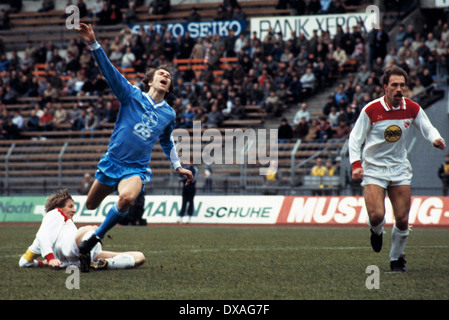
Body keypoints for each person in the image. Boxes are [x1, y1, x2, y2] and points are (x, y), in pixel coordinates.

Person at [74, 23, 193, 272]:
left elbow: (166, 140)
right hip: (111, 162)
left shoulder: (169, 114)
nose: (166, 76)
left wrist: (178, 166)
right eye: (161, 74)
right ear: (149, 81)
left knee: (127, 198)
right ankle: (88, 235)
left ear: (168, 88)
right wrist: (93, 43)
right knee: (91, 206)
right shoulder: (130, 94)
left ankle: (94, 239)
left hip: (135, 169)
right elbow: (110, 72)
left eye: (169, 77)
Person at [349, 66, 446, 272]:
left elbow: (426, 126)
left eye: (402, 85)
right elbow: (355, 139)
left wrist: (435, 138)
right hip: (374, 169)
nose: (399, 89)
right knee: (377, 216)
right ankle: (376, 230)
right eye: (394, 85)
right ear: (385, 87)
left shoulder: (411, 108)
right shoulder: (371, 110)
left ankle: (396, 258)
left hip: (399, 168)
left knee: (402, 218)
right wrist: (356, 164)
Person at [18, 189, 145, 270]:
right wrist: (50, 259)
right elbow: (42, 235)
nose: (74, 210)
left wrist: (42, 263)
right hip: (75, 245)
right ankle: (90, 247)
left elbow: (24, 262)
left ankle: (102, 264)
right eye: (70, 206)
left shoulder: (47, 234)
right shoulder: (55, 213)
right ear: (58, 207)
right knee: (92, 228)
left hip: (76, 258)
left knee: (139, 257)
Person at [178, 158, 198, 223]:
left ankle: (190, 217)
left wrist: (186, 178)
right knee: (184, 203)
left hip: (191, 189)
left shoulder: (195, 169)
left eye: (191, 162)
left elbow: (193, 179)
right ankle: (181, 217)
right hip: (185, 188)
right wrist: (188, 177)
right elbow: (179, 178)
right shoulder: (183, 169)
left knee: (191, 203)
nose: (190, 163)